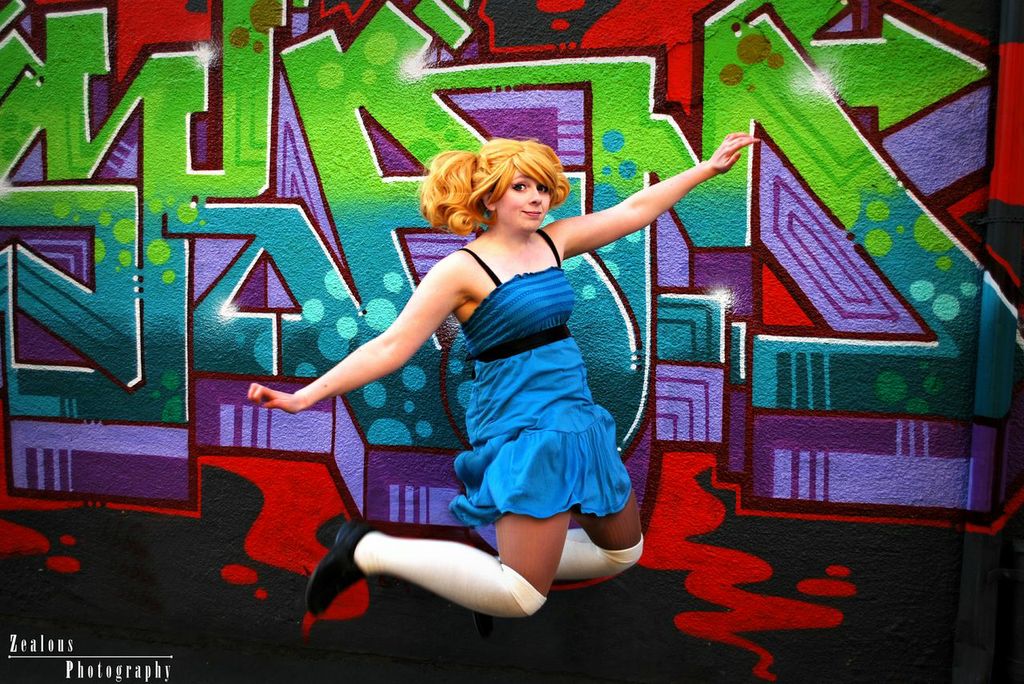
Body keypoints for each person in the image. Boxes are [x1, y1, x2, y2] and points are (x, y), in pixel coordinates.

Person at [247, 132, 757, 622]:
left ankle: (481, 575)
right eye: (521, 187)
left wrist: (706, 169)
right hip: (522, 423)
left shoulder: (552, 242)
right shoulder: (461, 270)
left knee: (622, 552)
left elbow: (633, 211)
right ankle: (368, 551)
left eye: (542, 188)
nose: (537, 199)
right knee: (520, 598)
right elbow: (390, 346)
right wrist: (305, 396)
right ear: (490, 197)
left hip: (575, 414)